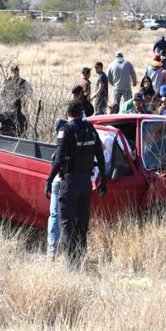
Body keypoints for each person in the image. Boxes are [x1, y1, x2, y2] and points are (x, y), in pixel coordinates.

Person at [45, 100, 106, 269]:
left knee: (66, 224)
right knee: (81, 223)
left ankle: (70, 266)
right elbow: (100, 157)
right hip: (85, 183)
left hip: (69, 182)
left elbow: (58, 160)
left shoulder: (66, 131)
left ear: (67, 114)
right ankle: (79, 260)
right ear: (81, 113)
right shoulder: (90, 130)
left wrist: (49, 180)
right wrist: (103, 181)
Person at [47, 118, 67, 258]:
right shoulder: (72, 140)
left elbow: (57, 161)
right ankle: (63, 249)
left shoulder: (59, 144)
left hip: (57, 182)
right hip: (66, 183)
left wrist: (48, 180)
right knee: (65, 217)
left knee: (54, 215)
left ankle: (52, 250)